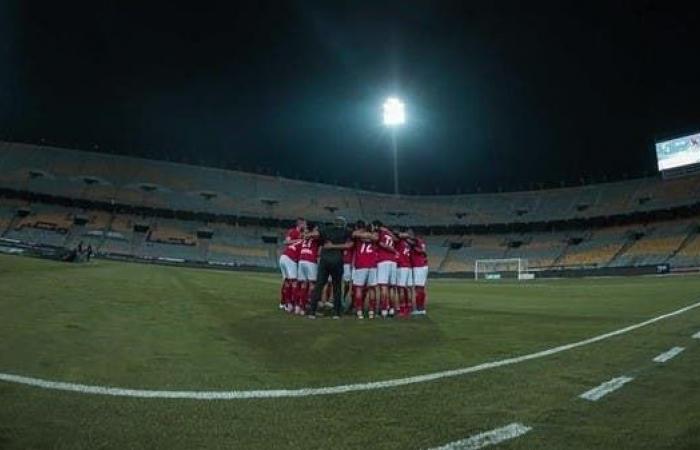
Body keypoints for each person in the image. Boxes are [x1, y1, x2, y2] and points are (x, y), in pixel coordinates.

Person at [307, 217, 352, 319]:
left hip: (325, 259)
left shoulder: (326, 229)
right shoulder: (346, 231)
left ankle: (312, 311)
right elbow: (349, 245)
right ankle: (336, 312)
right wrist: (335, 246)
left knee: (319, 285)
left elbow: (316, 234)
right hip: (337, 260)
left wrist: (307, 234)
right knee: (337, 287)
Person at [351, 220, 379, 319]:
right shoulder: (374, 236)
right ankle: (371, 311)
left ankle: (359, 311)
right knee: (372, 288)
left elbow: (354, 234)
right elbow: (375, 237)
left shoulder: (358, 236)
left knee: (359, 288)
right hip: (372, 264)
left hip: (360, 265)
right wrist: (369, 235)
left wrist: (363, 234)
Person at [279, 217, 305, 312]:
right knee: (293, 281)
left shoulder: (301, 234)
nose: (305, 226)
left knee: (287, 281)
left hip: (285, 257)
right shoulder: (293, 232)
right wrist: (298, 240)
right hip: (289, 258)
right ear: (300, 224)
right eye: (304, 224)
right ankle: (291, 304)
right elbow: (286, 241)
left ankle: (283, 302)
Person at [373, 220, 399, 318]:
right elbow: (396, 240)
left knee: (383, 287)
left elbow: (382, 244)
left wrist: (391, 249)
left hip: (383, 260)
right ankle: (391, 309)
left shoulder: (380, 232)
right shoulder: (389, 233)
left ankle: (384, 309)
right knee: (391, 287)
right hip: (393, 261)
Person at [297, 224, 320, 315]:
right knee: (312, 284)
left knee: (303, 284)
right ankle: (311, 307)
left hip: (302, 259)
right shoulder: (315, 236)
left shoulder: (305, 235)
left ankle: (301, 307)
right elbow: (317, 235)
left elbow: (302, 235)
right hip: (310, 260)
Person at [409, 230, 429, 315]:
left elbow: (420, 250)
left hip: (419, 266)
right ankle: (421, 307)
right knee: (421, 288)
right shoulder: (421, 241)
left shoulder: (416, 241)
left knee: (418, 288)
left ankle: (419, 309)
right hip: (423, 265)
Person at [396, 230, 414, 316]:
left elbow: (398, 234)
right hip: (408, 266)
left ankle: (402, 308)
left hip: (402, 266)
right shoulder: (409, 243)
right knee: (408, 288)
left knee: (401, 288)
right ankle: (409, 307)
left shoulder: (400, 241)